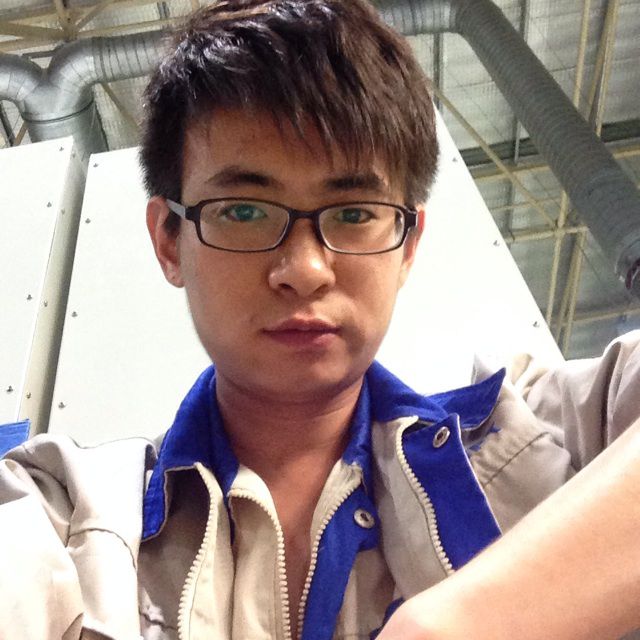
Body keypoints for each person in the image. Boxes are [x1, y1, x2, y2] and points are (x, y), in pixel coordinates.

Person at [1, 1, 639, 638]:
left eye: (355, 213)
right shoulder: (65, 513)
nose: (304, 269)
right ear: (170, 239)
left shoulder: (554, 437)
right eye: (244, 211)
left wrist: (455, 624)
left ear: (408, 246)